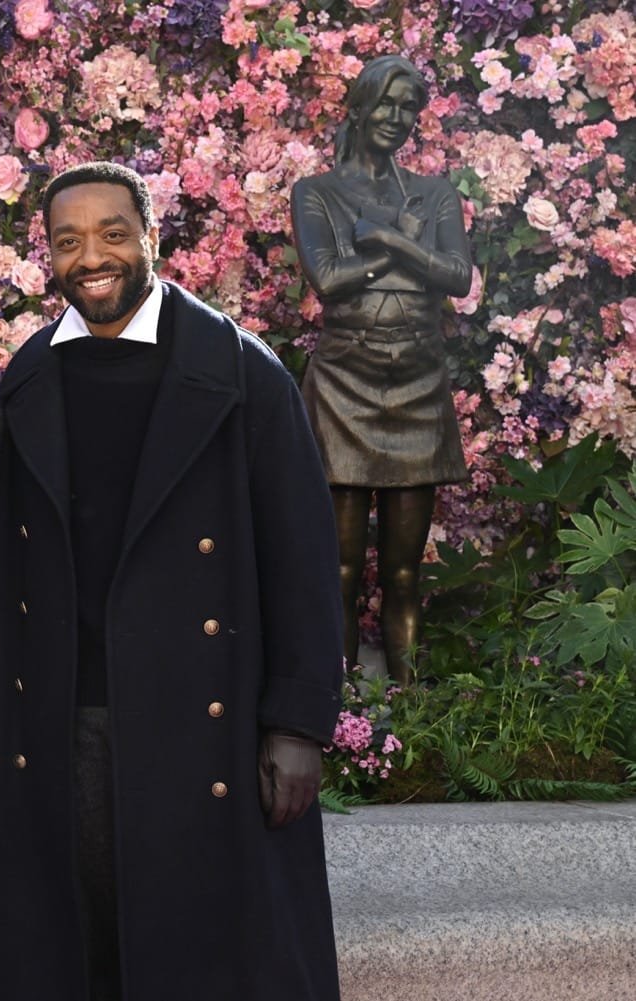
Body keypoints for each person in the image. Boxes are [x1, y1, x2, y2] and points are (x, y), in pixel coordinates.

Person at [0, 161, 344, 1001]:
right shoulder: (32, 374)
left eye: (112, 232)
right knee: (86, 948)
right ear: (49, 256)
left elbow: (302, 555)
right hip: (71, 716)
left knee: (202, 960)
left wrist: (298, 721)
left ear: (150, 236)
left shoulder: (241, 372)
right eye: (68, 241)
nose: (91, 256)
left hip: (204, 723)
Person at [291, 54, 473, 685]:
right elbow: (329, 279)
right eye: (388, 105)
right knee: (338, 569)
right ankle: (339, 720)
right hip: (345, 386)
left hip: (418, 385)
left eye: (409, 110)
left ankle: (413, 718)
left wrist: (388, 238)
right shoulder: (315, 192)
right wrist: (412, 248)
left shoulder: (433, 192)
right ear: (359, 107)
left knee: (404, 572)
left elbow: (458, 278)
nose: (397, 119)